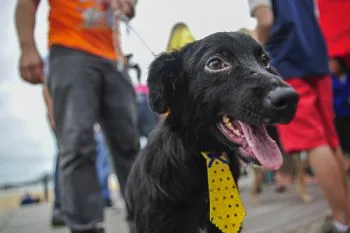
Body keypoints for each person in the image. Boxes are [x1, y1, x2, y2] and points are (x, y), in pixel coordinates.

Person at [16, 1, 139, 233]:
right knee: (77, 142)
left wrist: (126, 5)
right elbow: (26, 4)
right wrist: (27, 47)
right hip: (70, 51)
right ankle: (86, 226)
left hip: (113, 57)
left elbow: (129, 6)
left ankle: (144, 219)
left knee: (129, 144)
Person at [248, 1, 350, 232]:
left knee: (313, 142)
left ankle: (340, 221)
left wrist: (257, 54)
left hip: (288, 64)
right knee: (330, 140)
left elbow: (266, 21)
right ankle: (345, 214)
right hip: (318, 57)